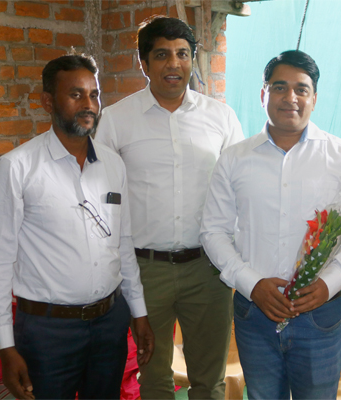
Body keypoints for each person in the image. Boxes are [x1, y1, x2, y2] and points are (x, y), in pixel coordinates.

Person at [200, 50, 341, 399]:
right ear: (263, 94)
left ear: (314, 98)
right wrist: (251, 284)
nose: (290, 97)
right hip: (255, 313)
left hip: (319, 312)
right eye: (279, 87)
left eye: (301, 89)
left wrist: (329, 282)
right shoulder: (234, 159)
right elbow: (213, 230)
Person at [0, 54, 154, 400]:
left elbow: (123, 245)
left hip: (109, 323)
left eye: (94, 94)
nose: (89, 104)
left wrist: (139, 312)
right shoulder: (16, 168)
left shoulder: (113, 165)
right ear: (48, 102)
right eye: (76, 94)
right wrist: (5, 348)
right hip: (47, 332)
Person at [95, 16, 244, 399]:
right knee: (154, 379)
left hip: (208, 270)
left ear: (192, 59)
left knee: (209, 381)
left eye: (182, 54)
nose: (173, 64)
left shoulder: (221, 117)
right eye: (162, 55)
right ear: (144, 63)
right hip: (145, 271)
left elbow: (240, 190)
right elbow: (101, 197)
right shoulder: (116, 121)